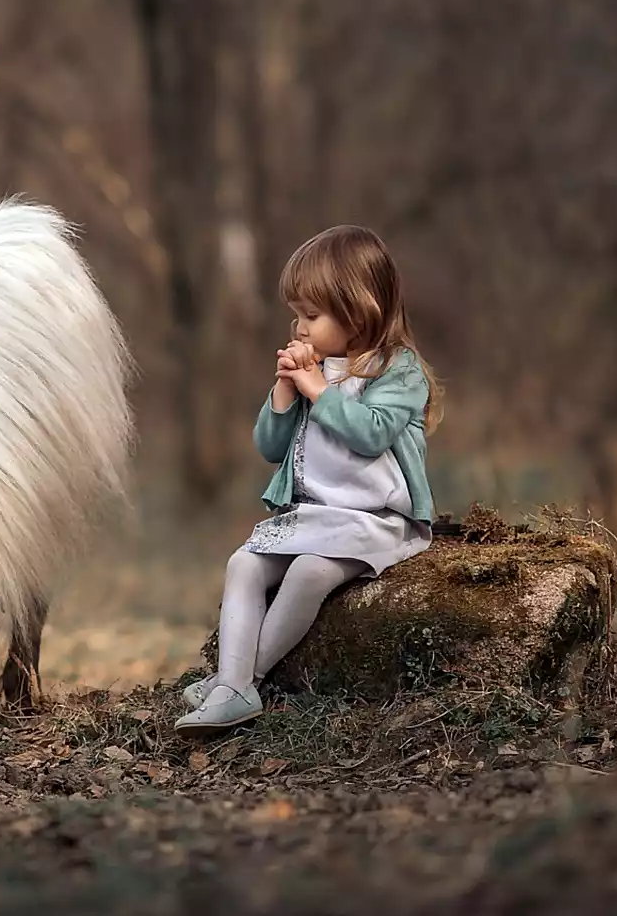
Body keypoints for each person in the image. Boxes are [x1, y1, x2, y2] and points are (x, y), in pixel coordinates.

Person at [174, 224, 442, 736]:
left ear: (359, 310)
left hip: (375, 519)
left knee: (309, 575)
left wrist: (318, 390)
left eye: (311, 316)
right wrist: (283, 390)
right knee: (244, 565)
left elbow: (371, 434)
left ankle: (237, 682)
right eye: (295, 315)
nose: (298, 328)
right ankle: (232, 684)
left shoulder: (397, 370)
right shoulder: (312, 368)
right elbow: (271, 448)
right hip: (312, 514)